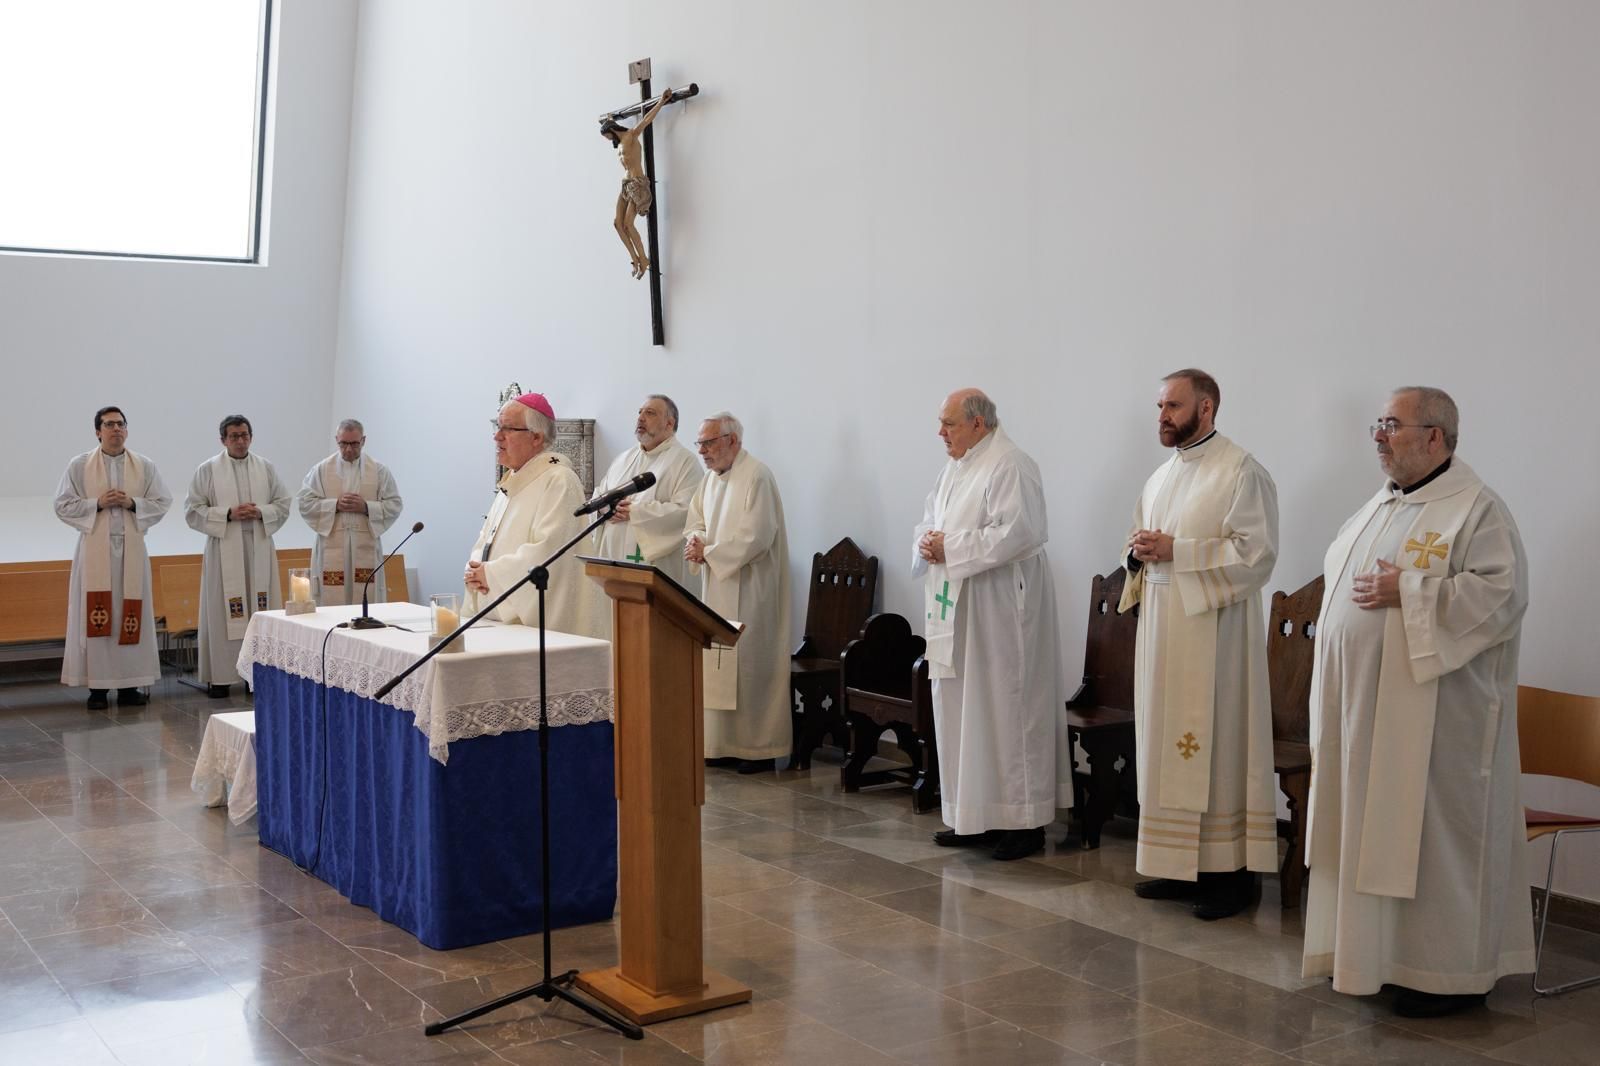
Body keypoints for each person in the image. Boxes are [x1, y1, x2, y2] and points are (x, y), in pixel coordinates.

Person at [1302, 386, 1533, 1018]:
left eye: (1392, 425)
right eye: (1378, 423)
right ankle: (1381, 960)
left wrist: (1411, 589)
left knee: (1434, 845)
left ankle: (1450, 976)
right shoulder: (1379, 505)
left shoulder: (1477, 510)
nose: (1379, 435)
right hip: (1366, 716)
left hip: (1439, 721)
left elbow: (1502, 596)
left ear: (1435, 437)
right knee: (1374, 837)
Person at [1120, 369, 1279, 919]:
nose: (1162, 416)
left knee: (1216, 747)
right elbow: (1145, 540)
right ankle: (1176, 864)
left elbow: (1256, 555)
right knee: (1166, 745)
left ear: (1206, 408)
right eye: (1160, 405)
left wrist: (1177, 551)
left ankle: (1229, 876)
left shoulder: (1241, 471)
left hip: (1215, 634)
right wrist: (1138, 551)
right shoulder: (1161, 477)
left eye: (1173, 406)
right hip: (1164, 627)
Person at [913, 389, 1069, 862]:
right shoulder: (954, 469)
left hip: (1000, 609)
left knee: (1007, 709)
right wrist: (927, 542)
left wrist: (951, 548)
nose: (941, 433)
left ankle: (1023, 823)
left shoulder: (1010, 464)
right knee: (962, 708)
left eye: (949, 424)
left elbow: (1021, 532)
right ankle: (973, 815)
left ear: (978, 423)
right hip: (955, 610)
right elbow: (928, 521)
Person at [683, 412, 791, 774]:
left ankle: (756, 748)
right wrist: (695, 540)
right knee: (719, 665)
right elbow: (694, 519)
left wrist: (708, 553)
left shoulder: (757, 475)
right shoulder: (710, 480)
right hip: (717, 585)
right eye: (699, 443)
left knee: (749, 666)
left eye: (708, 443)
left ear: (732, 441)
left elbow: (757, 536)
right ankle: (721, 744)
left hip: (752, 590)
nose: (702, 451)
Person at [55, 406, 172, 709]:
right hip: (96, 550)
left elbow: (162, 501)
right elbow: (63, 505)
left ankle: (129, 686)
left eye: (121, 424)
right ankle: (97, 690)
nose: (116, 429)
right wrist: (97, 503)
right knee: (98, 616)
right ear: (98, 431)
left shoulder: (144, 465)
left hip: (132, 549)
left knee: (128, 616)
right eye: (109, 425)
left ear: (126, 430)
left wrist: (134, 503)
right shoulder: (79, 465)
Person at [464, 393, 602, 638]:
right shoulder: (512, 483)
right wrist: (475, 569)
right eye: (498, 428)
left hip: (535, 630)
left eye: (507, 429)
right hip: (495, 616)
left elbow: (549, 551)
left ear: (536, 437)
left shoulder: (559, 480)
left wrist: (490, 574)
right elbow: (485, 540)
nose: (497, 437)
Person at [185, 415, 292, 698]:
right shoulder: (207, 470)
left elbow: (283, 503)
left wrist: (261, 512)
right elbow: (192, 510)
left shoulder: (265, 468)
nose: (240, 440)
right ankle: (221, 678)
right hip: (224, 548)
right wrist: (228, 514)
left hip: (259, 545)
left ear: (251, 437)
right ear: (223, 440)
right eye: (234, 436)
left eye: (244, 435)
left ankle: (255, 677)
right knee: (223, 612)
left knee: (260, 608)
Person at [588, 394, 702, 628]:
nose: (641, 418)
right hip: (613, 562)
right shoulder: (624, 458)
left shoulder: (685, 463)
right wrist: (604, 509)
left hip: (655, 566)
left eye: (650, 413)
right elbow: (600, 493)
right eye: (640, 412)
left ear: (669, 424)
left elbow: (687, 511)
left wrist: (636, 512)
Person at [297, 419, 404, 605]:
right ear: (336, 440)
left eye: (354, 444)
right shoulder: (322, 470)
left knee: (365, 599)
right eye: (343, 443)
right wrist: (335, 505)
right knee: (331, 599)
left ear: (363, 441)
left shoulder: (379, 471)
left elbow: (394, 504)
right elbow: (305, 503)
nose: (348, 449)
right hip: (331, 545)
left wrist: (366, 507)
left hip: (365, 546)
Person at [601, 89, 672, 279]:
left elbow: (647, 119)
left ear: (611, 130)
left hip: (637, 183)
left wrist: (662, 101)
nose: (608, 139)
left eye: (607, 135)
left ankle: (643, 258)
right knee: (617, 224)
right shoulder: (618, 142)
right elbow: (607, 121)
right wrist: (608, 117)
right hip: (625, 184)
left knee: (628, 224)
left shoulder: (631, 135)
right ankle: (635, 258)